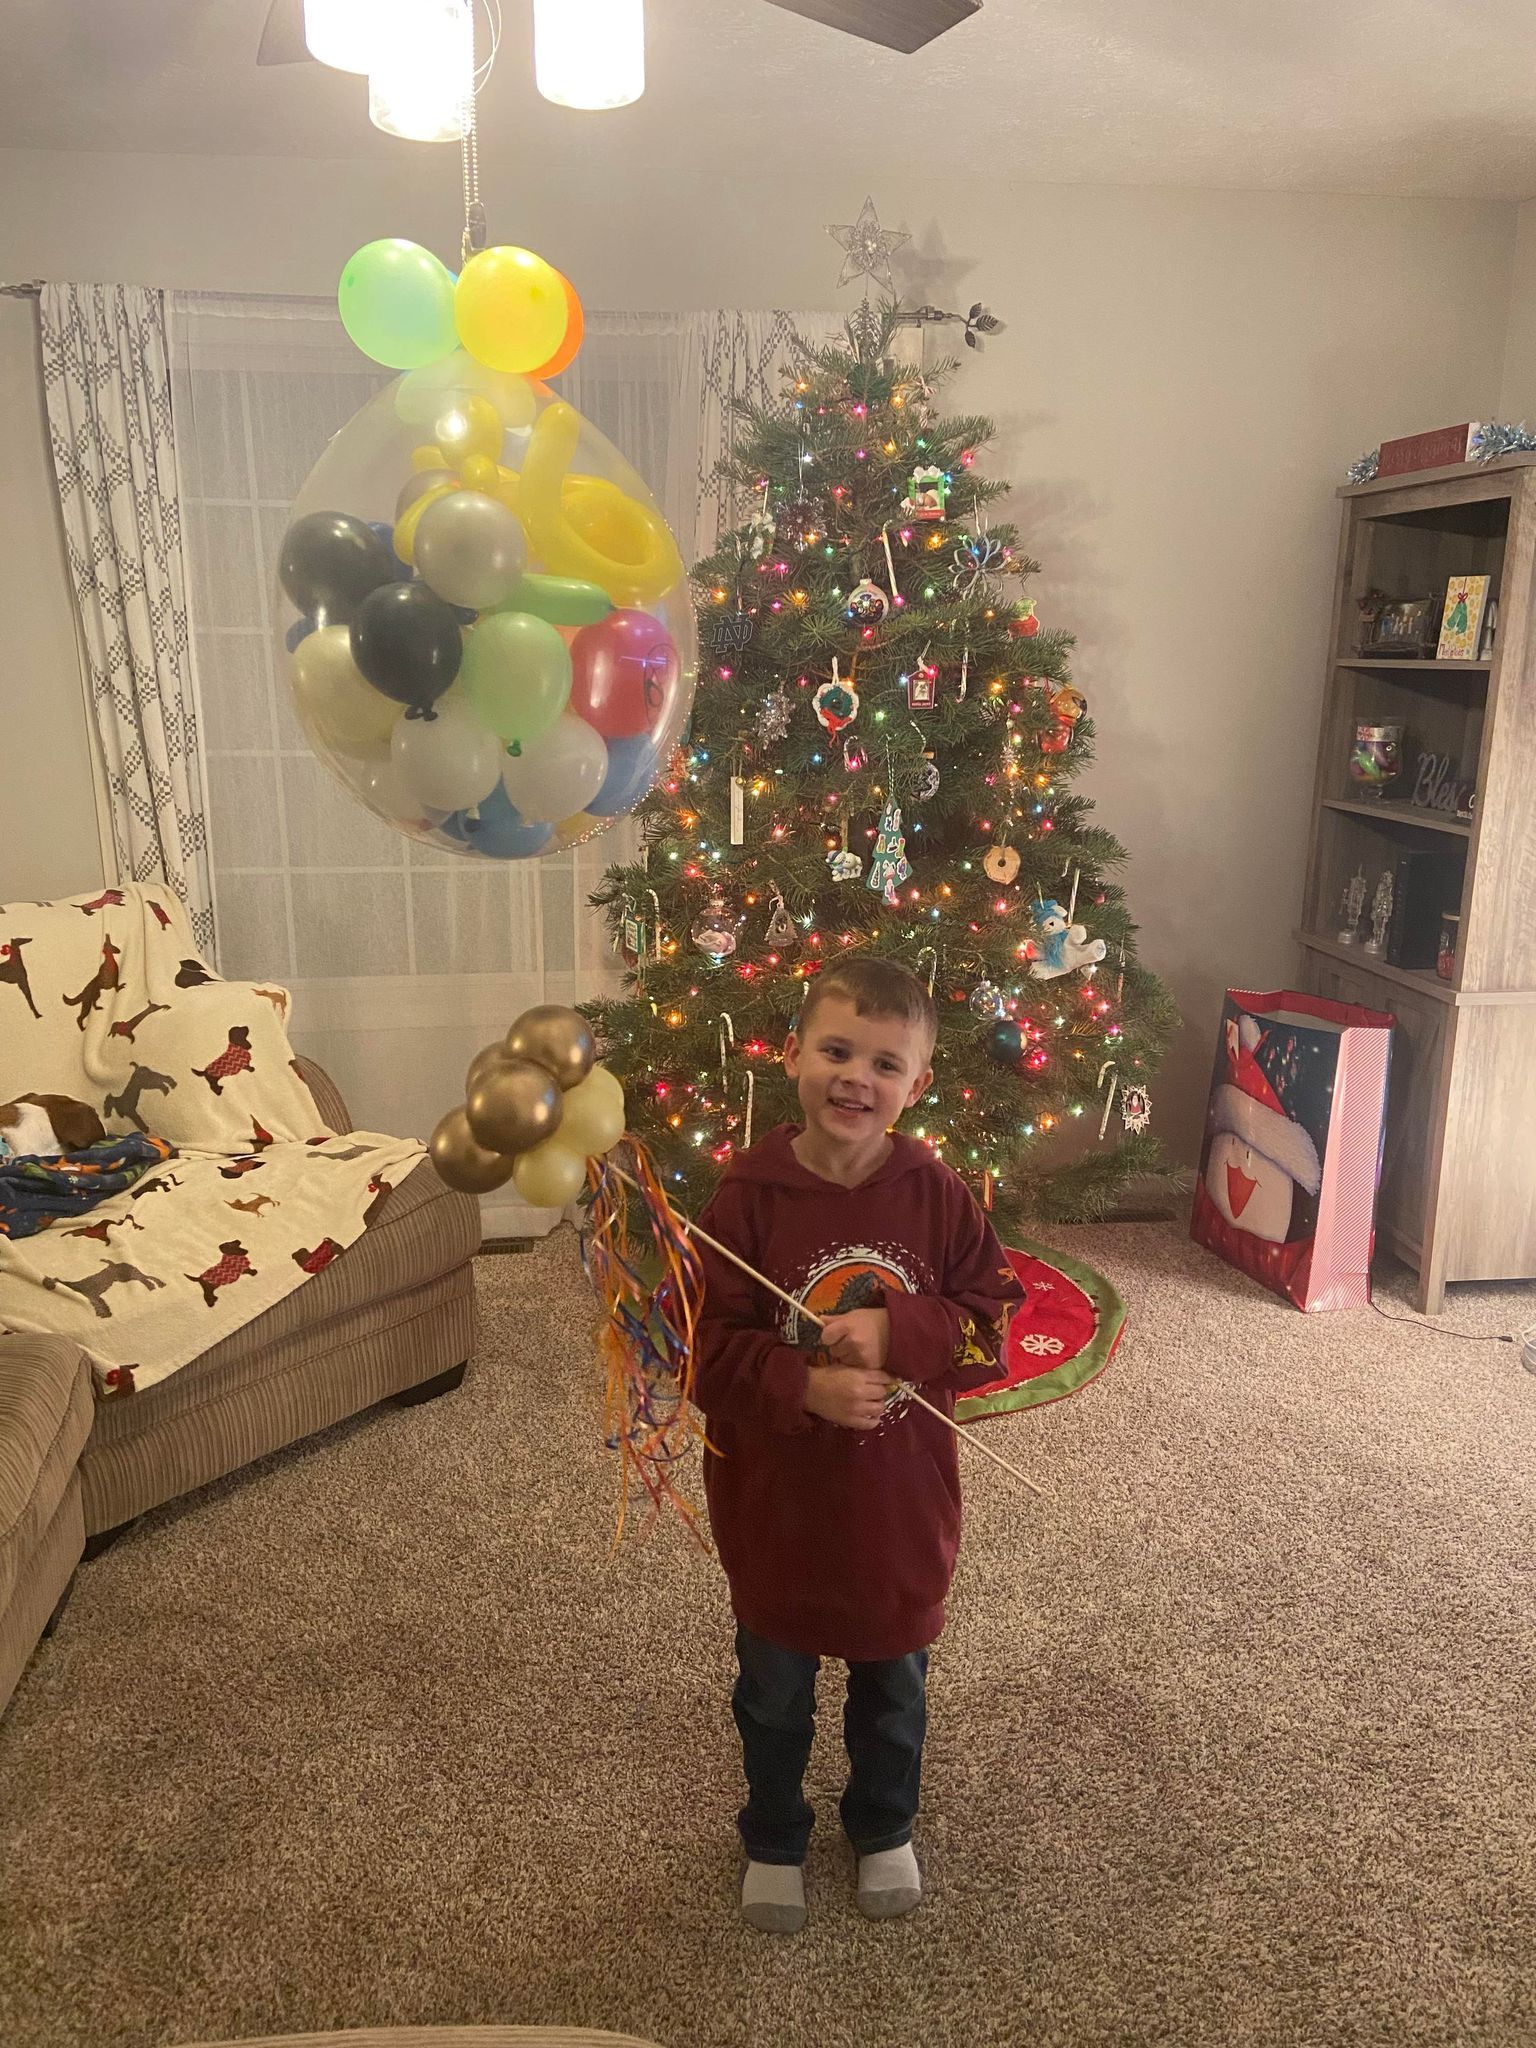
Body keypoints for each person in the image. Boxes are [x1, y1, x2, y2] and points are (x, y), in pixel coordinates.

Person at [694, 955, 1024, 1933]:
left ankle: (883, 1823)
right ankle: (774, 1834)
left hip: (899, 1508)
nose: (856, 1077)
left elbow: (991, 1327)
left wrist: (898, 1331)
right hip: (779, 1507)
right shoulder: (745, 1197)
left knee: (893, 1690)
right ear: (793, 1054)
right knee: (773, 1695)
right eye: (836, 1049)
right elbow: (704, 1354)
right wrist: (805, 1383)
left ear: (916, 1086)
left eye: (885, 1062)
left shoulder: (938, 1194)